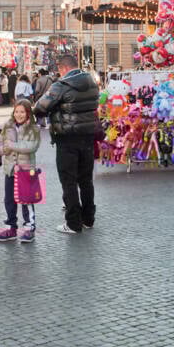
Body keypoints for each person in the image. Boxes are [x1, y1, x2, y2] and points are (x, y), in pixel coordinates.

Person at [33, 54, 99, 234]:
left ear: (62, 68)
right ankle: (88, 219)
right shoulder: (92, 82)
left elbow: (40, 107)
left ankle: (73, 223)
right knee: (86, 180)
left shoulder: (61, 86)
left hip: (67, 138)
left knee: (68, 181)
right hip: (87, 136)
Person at [0, 100, 41, 243]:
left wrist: (12, 145)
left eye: (22, 112)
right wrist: (4, 149)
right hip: (10, 170)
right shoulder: (7, 126)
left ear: (28, 113)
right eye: (17, 111)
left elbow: (31, 146)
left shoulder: (34, 129)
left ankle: (29, 228)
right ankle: (11, 227)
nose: (19, 114)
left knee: (26, 200)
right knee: (9, 200)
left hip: (26, 171)